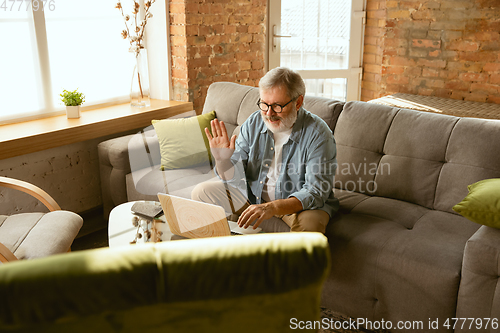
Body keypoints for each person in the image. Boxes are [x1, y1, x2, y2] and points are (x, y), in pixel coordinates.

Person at [191, 67, 338, 233]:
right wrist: (222, 160)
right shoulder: (254, 122)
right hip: (253, 197)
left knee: (310, 227)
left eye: (277, 106)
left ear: (297, 102)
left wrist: (272, 208)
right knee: (202, 191)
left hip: (297, 207)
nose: (268, 114)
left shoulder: (318, 134)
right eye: (264, 104)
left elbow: (315, 192)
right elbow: (235, 179)